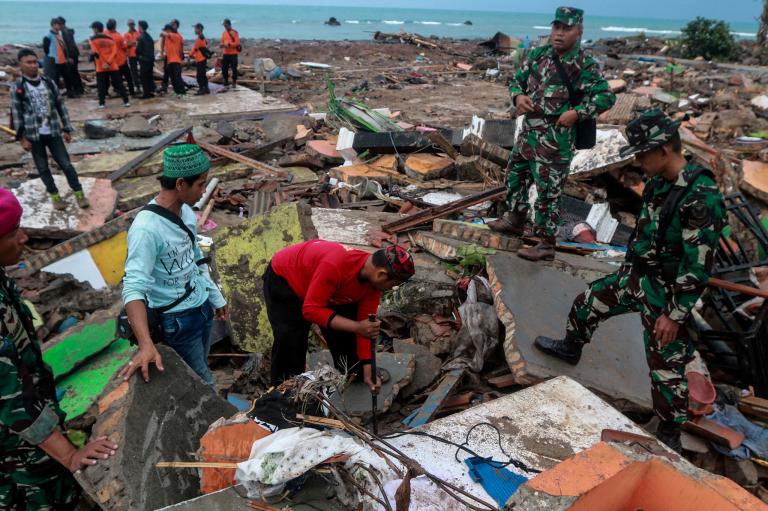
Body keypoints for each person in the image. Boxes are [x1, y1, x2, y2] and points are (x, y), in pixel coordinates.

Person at [532, 109, 726, 452]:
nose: (637, 162)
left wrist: (674, 315)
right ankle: (571, 348)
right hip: (637, 277)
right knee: (588, 303)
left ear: (663, 149)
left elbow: (697, 267)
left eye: (642, 154)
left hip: (667, 294)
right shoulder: (658, 182)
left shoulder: (702, 195)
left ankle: (670, 431)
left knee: (666, 368)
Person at [0, 187, 118, 509]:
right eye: (12, 233)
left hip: (34, 432)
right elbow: (10, 398)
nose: (24, 238)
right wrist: (69, 455)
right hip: (16, 449)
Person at [487, 6, 615, 261]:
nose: (559, 33)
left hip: (556, 141)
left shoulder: (585, 64)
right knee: (515, 177)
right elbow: (516, 80)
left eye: (567, 28)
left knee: (548, 192)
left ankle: (546, 244)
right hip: (528, 133)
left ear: (579, 31)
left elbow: (606, 97)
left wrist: (577, 113)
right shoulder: (539, 55)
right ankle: (514, 220)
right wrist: (518, 96)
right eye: (557, 27)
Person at [120, 144, 228, 386]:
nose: (205, 191)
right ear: (180, 184)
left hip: (202, 307)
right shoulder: (146, 229)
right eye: (200, 184)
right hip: (177, 320)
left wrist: (214, 296)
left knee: (201, 364)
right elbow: (133, 288)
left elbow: (195, 258)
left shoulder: (186, 212)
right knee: (202, 381)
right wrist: (146, 345)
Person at [264, 240, 415, 391]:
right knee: (291, 341)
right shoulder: (336, 265)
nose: (390, 289)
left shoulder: (372, 283)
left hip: (332, 288)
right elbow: (310, 310)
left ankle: (357, 372)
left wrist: (367, 366)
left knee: (349, 346)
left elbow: (365, 327)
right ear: (381, 274)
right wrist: (356, 327)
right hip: (287, 280)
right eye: (392, 285)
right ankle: (282, 392)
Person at [11, 49, 89, 210]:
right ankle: (55, 197)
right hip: (34, 135)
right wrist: (22, 138)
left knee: (66, 165)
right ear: (21, 64)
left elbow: (61, 106)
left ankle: (79, 194)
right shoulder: (18, 87)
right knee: (43, 168)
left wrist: (66, 128)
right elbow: (16, 113)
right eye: (29, 62)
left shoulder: (48, 82)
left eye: (35, 62)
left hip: (53, 132)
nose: (33, 65)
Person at [89, 21, 130, 108]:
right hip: (113, 65)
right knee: (119, 84)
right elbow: (114, 52)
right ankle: (126, 101)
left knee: (101, 85)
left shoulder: (92, 40)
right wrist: (109, 62)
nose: (92, 30)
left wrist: (104, 63)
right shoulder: (110, 39)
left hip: (101, 66)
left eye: (93, 28)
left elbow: (96, 53)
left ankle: (101, 103)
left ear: (96, 29)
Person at [42, 18, 73, 96]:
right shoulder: (48, 36)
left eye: (60, 25)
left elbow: (63, 47)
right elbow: (45, 48)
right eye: (59, 25)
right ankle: (56, 94)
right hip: (54, 61)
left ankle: (70, 93)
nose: (60, 27)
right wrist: (50, 57)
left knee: (67, 77)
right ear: (54, 25)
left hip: (62, 60)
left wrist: (67, 57)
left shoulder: (59, 34)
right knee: (55, 78)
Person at [106, 18, 135, 97]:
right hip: (121, 60)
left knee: (115, 78)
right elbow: (124, 47)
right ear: (115, 26)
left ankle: (118, 91)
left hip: (111, 61)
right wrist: (131, 44)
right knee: (128, 77)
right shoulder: (118, 36)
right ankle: (131, 92)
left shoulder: (105, 35)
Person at [57, 16, 84, 97]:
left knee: (71, 73)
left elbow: (70, 45)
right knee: (74, 72)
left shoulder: (65, 32)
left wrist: (69, 57)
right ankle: (79, 89)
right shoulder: (66, 31)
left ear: (60, 24)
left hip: (71, 54)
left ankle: (77, 90)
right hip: (73, 54)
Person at [163, 23, 186, 96]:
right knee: (173, 79)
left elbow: (168, 34)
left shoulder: (176, 36)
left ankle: (182, 93)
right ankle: (177, 93)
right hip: (170, 61)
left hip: (175, 61)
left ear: (169, 30)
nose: (165, 32)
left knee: (177, 78)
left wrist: (164, 33)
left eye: (166, 30)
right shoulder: (168, 38)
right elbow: (167, 50)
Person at [136, 20, 156, 99]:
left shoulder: (141, 37)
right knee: (149, 76)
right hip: (150, 59)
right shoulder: (149, 36)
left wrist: (138, 56)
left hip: (144, 59)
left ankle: (146, 93)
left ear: (140, 27)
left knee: (143, 76)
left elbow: (138, 50)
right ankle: (151, 91)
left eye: (138, 26)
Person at [160, 19, 180, 94]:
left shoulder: (177, 35)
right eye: (172, 24)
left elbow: (180, 46)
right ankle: (164, 87)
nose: (173, 25)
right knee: (166, 71)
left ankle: (178, 90)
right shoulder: (168, 34)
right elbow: (163, 41)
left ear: (177, 26)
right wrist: (162, 52)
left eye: (174, 24)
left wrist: (180, 55)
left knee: (175, 74)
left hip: (174, 57)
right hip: (168, 56)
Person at [190, 23, 210, 95]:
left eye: (195, 29)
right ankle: (206, 89)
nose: (194, 30)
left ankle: (201, 89)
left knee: (199, 76)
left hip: (200, 59)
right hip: (203, 59)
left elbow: (195, 48)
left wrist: (190, 55)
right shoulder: (203, 37)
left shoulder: (199, 38)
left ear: (200, 29)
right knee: (203, 74)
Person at [220, 19, 240, 88]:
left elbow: (237, 43)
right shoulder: (224, 33)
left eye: (226, 25)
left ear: (229, 25)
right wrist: (222, 45)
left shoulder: (235, 32)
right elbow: (222, 41)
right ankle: (226, 81)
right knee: (224, 68)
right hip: (225, 53)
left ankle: (234, 81)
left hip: (233, 53)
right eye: (224, 25)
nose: (225, 27)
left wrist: (229, 45)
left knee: (234, 69)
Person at [124, 19, 141, 97]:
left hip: (139, 54)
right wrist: (134, 42)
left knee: (142, 70)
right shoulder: (126, 34)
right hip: (131, 55)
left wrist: (132, 43)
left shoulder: (138, 33)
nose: (131, 26)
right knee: (134, 72)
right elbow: (126, 45)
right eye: (130, 24)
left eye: (132, 24)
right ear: (128, 25)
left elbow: (140, 42)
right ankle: (137, 86)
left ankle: (141, 85)